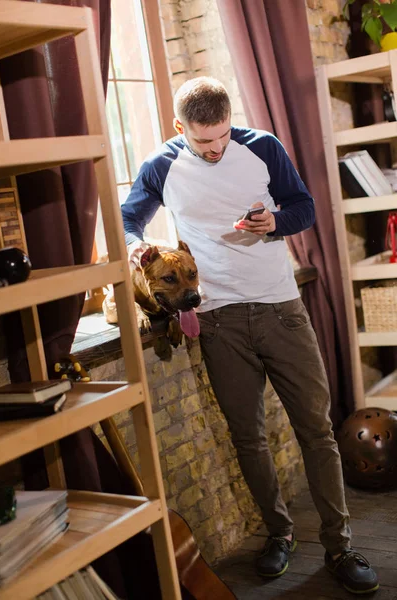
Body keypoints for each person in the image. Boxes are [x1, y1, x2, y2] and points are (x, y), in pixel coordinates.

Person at [121, 77, 379, 595]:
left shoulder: (262, 146)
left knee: (317, 431)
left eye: (221, 138)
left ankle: (340, 546)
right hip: (217, 320)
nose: (215, 150)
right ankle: (279, 535)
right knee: (248, 438)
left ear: (230, 122)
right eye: (203, 143)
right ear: (179, 129)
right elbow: (127, 219)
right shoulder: (160, 166)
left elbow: (303, 207)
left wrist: (275, 223)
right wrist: (135, 246)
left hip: (281, 309)